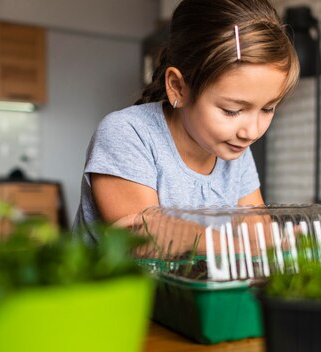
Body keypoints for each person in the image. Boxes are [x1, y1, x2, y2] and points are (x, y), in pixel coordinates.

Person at [74, 0, 300, 243]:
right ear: (178, 88)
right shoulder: (127, 134)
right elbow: (142, 241)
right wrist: (242, 246)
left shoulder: (234, 150)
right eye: (231, 110)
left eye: (268, 108)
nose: (252, 132)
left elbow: (259, 238)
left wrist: (280, 244)